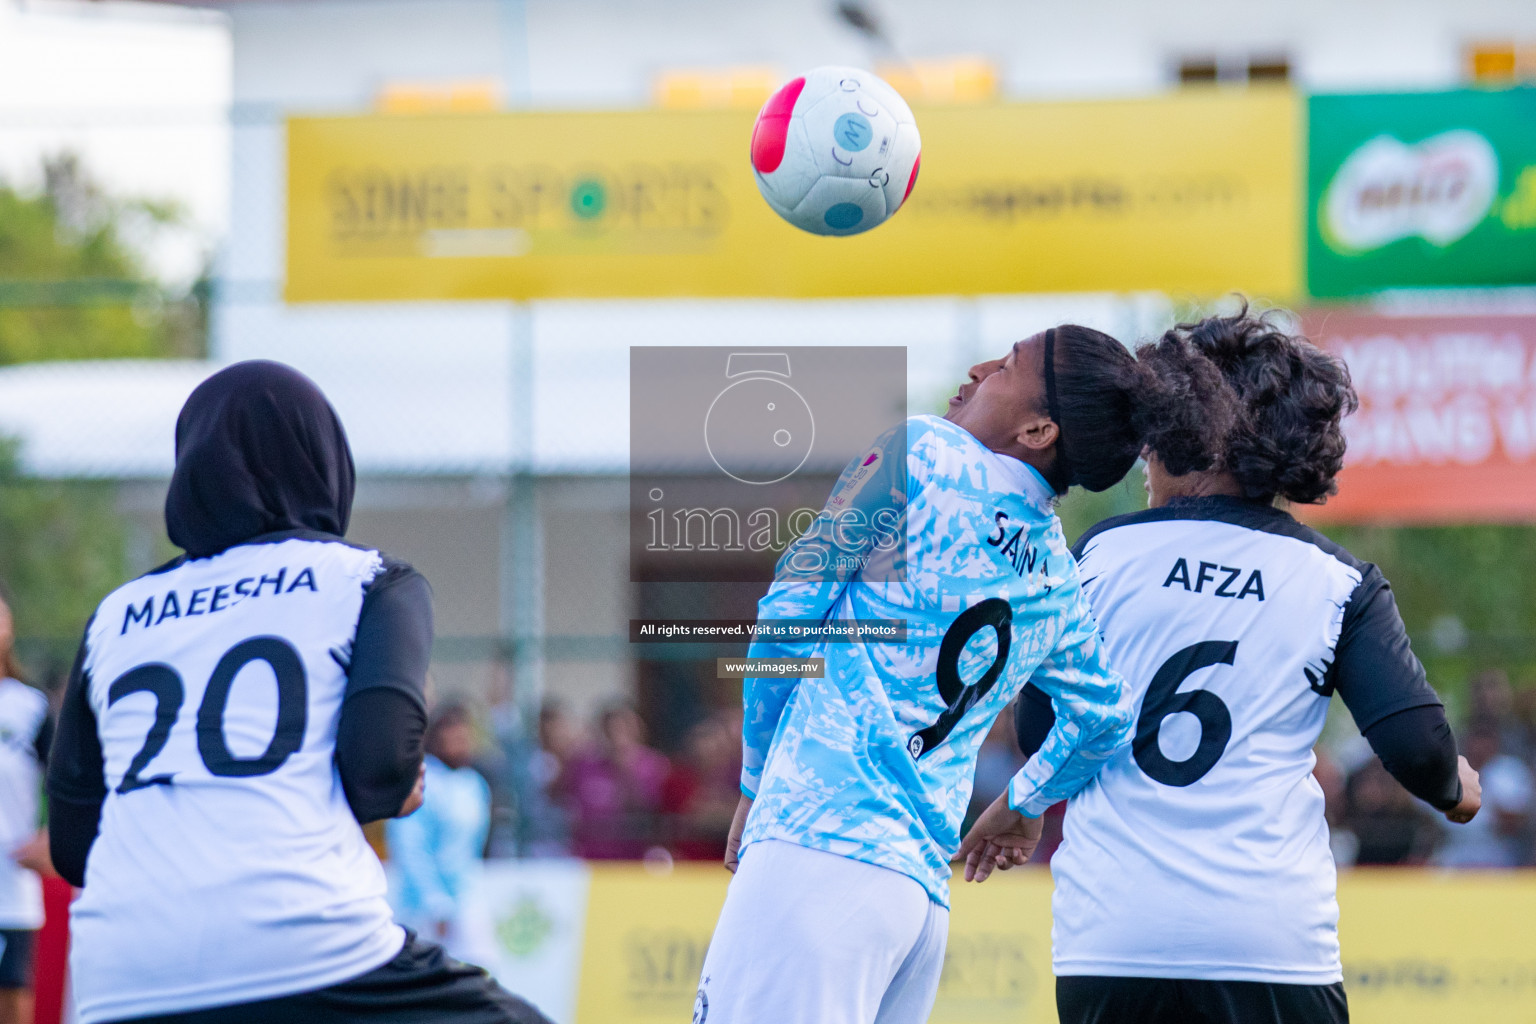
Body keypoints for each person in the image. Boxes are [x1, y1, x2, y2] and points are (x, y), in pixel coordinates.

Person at [697, 324, 1234, 1024]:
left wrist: (756, 779)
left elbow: (790, 612)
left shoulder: (924, 453)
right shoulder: (1055, 572)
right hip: (916, 901)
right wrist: (1025, 804)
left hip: (818, 849)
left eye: (1007, 367)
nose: (980, 370)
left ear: (1040, 429)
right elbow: (1104, 717)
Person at [999, 308, 1482, 1024]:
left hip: (1112, 941)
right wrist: (1455, 790)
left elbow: (1040, 730)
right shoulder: (1336, 581)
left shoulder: (1099, 558)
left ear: (1178, 433)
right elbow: (1416, 748)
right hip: (1270, 945)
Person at [45, 361, 551, 1024]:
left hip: (121, 973)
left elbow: (75, 846)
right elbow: (379, 777)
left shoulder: (116, 614)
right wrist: (402, 782)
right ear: (324, 459)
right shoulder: (368, 580)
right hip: (310, 944)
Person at [386, 704, 493, 959]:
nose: (459, 745)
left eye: (464, 738)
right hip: (423, 906)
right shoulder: (422, 782)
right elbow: (410, 848)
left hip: (467, 896)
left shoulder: (474, 783)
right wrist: (436, 903)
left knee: (482, 969)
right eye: (452, 739)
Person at [0, 593, 53, 1024]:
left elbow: (70, 782)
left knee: (13, 997)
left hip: (11, 885)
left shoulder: (29, 706)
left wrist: (50, 835)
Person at [561, 702, 669, 859]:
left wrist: (626, 771)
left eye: (623, 729)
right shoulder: (583, 764)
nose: (616, 735)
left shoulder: (654, 764)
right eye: (610, 729)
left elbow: (650, 810)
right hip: (589, 855)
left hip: (632, 858)